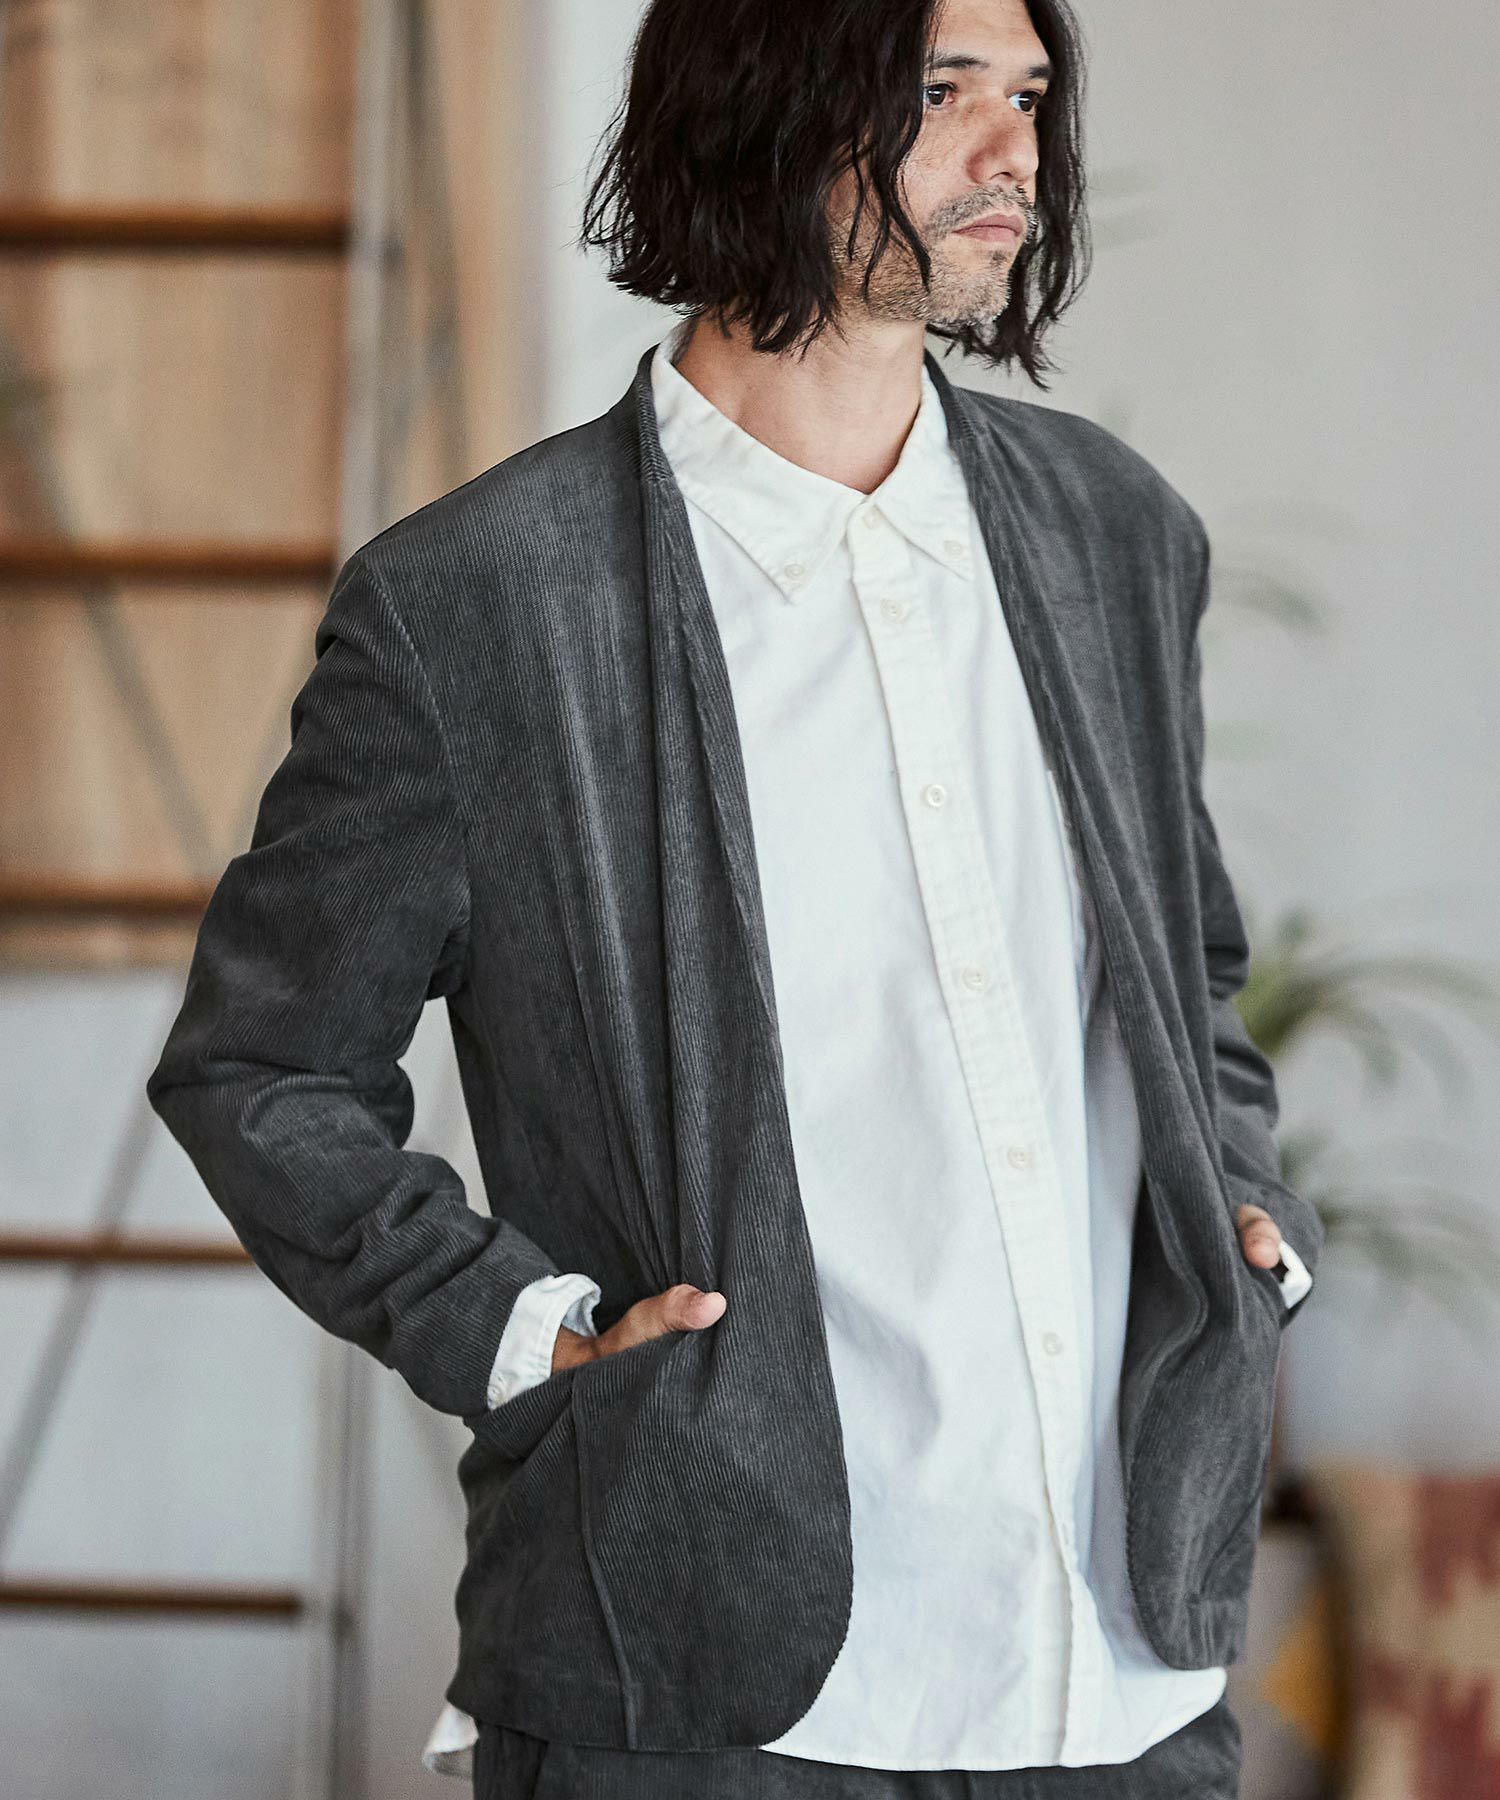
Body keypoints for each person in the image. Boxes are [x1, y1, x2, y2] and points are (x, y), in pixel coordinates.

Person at [146, 0, 1322, 1795]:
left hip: (1122, 1674)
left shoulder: (1117, 535)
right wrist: (532, 1333)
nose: (1013, 154)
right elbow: (263, 1069)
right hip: (701, 1683)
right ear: (764, 108)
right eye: (941, 93)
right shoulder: (479, 609)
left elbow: (1189, 967)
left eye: (1028, 95)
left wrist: (1240, 1201)